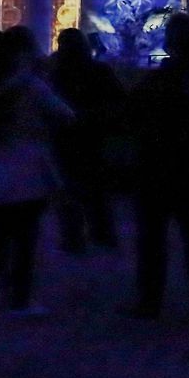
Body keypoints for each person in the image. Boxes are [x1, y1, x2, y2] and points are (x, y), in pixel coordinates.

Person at [0, 27, 75, 311]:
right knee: (24, 238)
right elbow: (66, 114)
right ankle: (19, 299)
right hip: (28, 167)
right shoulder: (31, 85)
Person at [124, 12, 189, 319]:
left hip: (155, 166)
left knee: (152, 238)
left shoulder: (155, 82)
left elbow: (132, 117)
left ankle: (150, 301)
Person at [48, 26, 126, 253]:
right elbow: (118, 101)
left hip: (66, 136)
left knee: (70, 189)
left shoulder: (57, 73)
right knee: (95, 189)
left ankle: (73, 238)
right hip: (93, 135)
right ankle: (102, 234)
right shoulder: (99, 71)